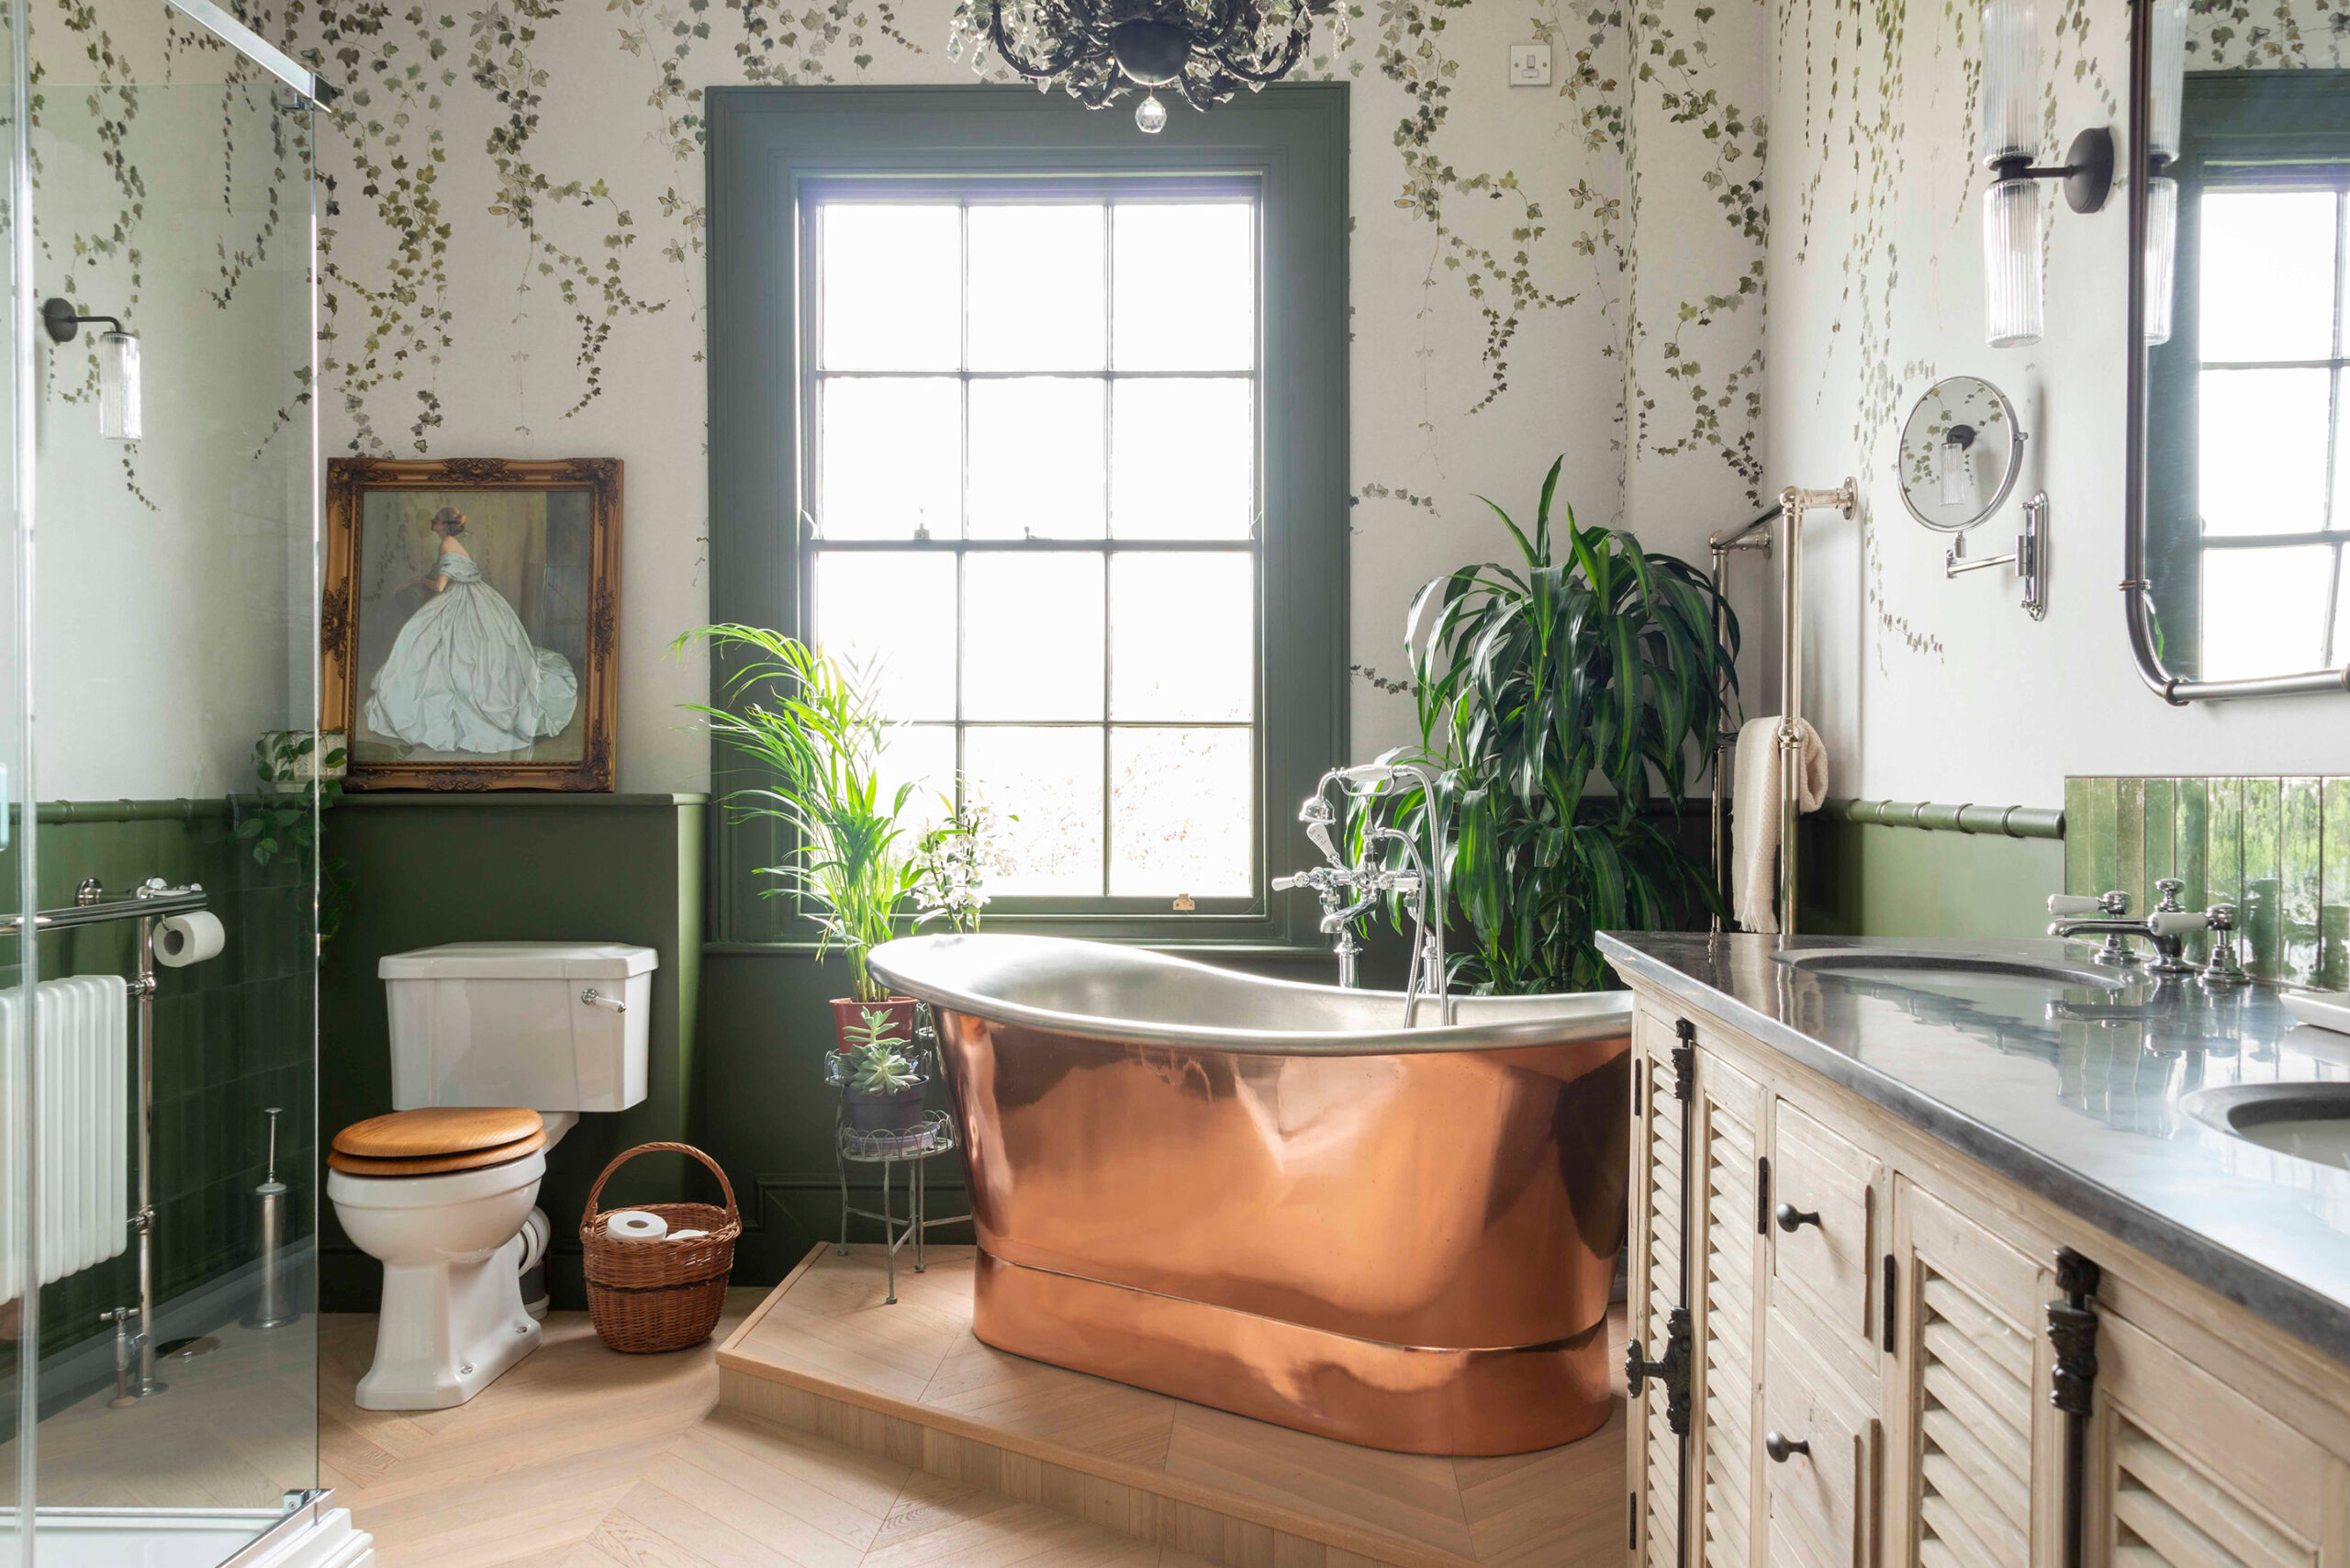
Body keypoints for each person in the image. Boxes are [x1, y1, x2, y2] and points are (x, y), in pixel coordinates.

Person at [364, 506, 578, 753]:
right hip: (475, 595)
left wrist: (421, 581)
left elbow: (441, 586)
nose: (432, 524)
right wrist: (414, 580)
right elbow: (442, 571)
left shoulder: (447, 544)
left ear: (442, 525)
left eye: (435, 521)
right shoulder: (453, 543)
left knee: (435, 645)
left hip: (460, 598)